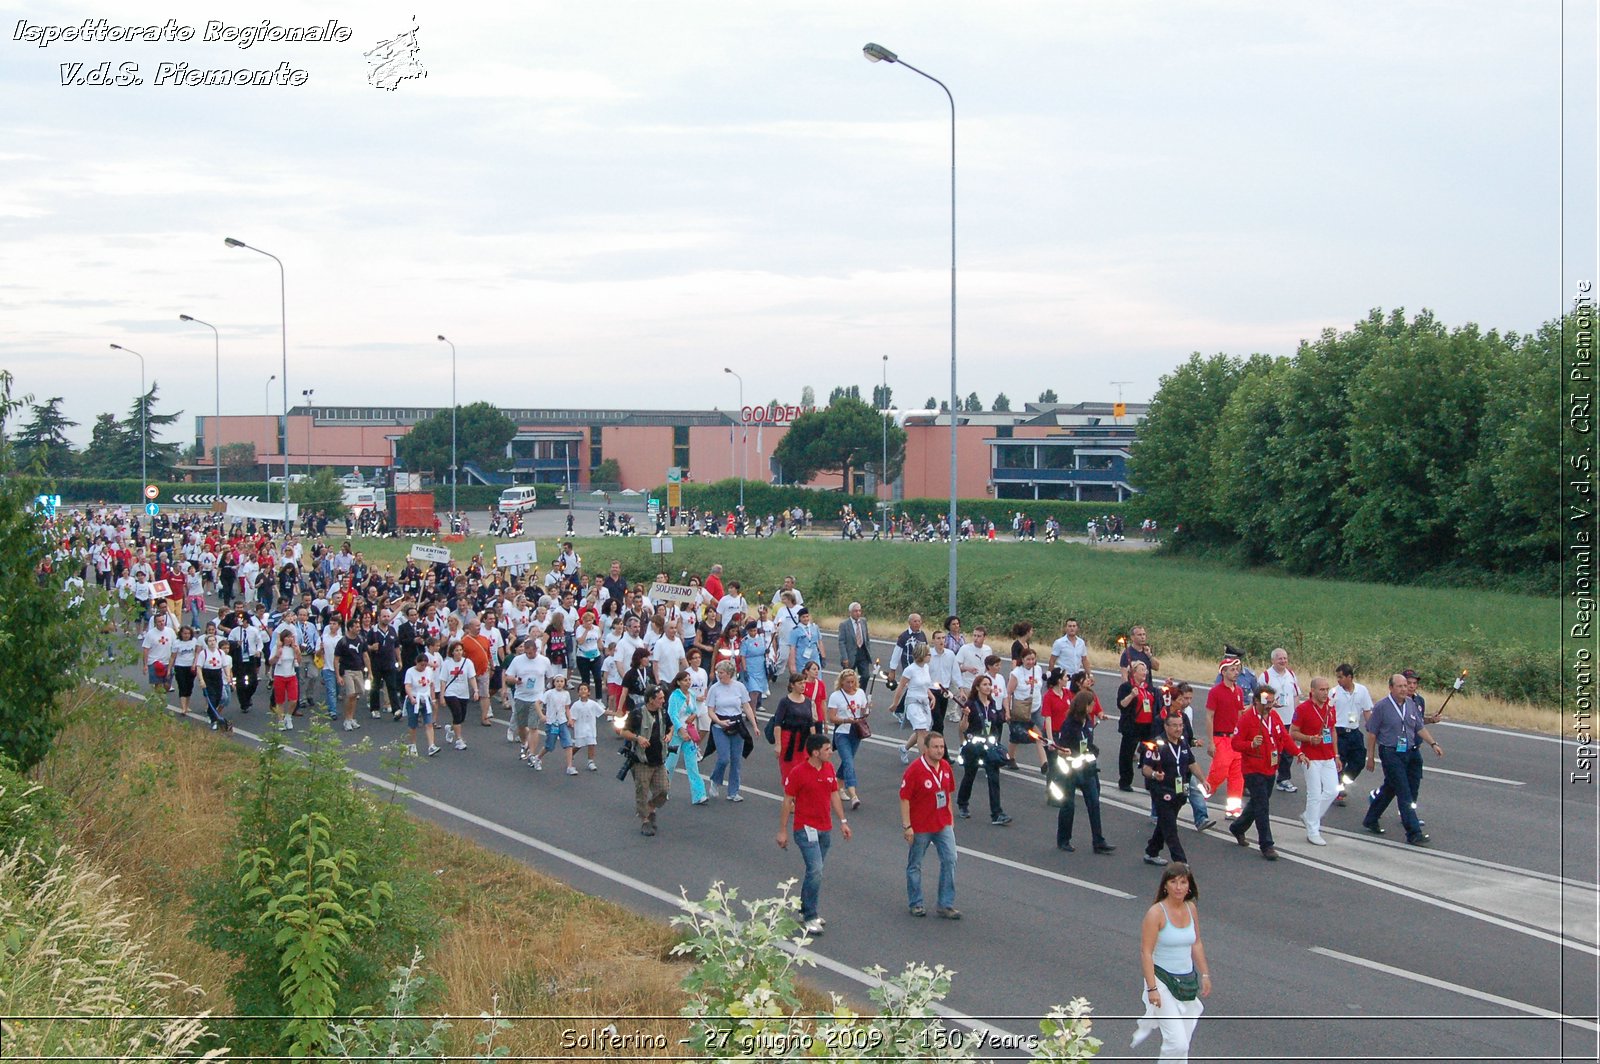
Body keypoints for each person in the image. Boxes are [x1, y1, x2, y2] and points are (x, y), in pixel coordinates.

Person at [1134, 863, 1212, 1062]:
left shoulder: (1190, 908)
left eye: (1183, 882)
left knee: (1183, 1043)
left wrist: (1204, 974)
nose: (1178, 887)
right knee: (1176, 1043)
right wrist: (1152, 988)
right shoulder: (1156, 913)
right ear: (1165, 886)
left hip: (1186, 982)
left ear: (1189, 886)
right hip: (1162, 981)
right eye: (1173, 882)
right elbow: (1146, 952)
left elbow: (1196, 942)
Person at [776, 733, 852, 935]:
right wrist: (783, 830)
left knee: (814, 871)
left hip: (824, 828)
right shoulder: (798, 772)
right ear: (815, 752)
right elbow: (787, 801)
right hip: (804, 828)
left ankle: (804, 909)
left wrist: (843, 822)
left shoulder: (828, 768)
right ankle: (810, 916)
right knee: (816, 870)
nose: (830, 753)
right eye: (827, 749)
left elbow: (834, 793)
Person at [1363, 673, 1444, 845]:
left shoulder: (1411, 704)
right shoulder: (1382, 707)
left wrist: (1433, 743)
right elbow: (1372, 733)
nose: (1404, 689)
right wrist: (1370, 757)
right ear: (1391, 688)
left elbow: (1419, 727)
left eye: (1405, 686)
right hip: (1391, 753)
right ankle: (1413, 832)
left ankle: (1371, 818)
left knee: (1391, 788)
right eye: (1399, 686)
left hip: (1410, 751)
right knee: (1403, 791)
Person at [1229, 687, 1306, 860]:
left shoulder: (1274, 717)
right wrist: (1250, 744)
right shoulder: (1247, 719)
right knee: (1262, 805)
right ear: (1256, 701)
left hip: (1270, 767)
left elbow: (1285, 738)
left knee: (1258, 802)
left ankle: (1238, 827)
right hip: (1252, 769)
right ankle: (1266, 845)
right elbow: (1235, 743)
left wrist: (1298, 753)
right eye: (1266, 702)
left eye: (1271, 701)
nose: (1270, 705)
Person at [900, 731, 959, 919]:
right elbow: (905, 798)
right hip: (920, 826)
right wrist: (907, 826)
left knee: (950, 859)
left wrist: (950, 818)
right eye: (935, 747)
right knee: (915, 864)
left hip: (942, 824)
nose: (940, 750)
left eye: (942, 747)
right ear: (926, 749)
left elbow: (947, 793)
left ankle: (945, 904)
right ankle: (916, 903)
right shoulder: (915, 770)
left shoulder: (945, 767)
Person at [1055, 689, 1115, 854]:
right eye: (1092, 704)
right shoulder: (1069, 724)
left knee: (1094, 803)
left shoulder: (1088, 721)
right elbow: (1061, 748)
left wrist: (1093, 751)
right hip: (1071, 770)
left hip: (1087, 769)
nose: (1094, 706)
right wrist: (1066, 752)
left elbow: (1088, 743)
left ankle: (1098, 841)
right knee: (1068, 805)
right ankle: (1063, 839)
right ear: (1085, 705)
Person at [1141, 712, 1198, 867]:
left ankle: (1152, 851)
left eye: (1181, 725)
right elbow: (1145, 768)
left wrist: (1203, 780)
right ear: (1166, 726)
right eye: (1174, 725)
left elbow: (1192, 763)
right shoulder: (1157, 745)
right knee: (1170, 827)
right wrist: (1154, 774)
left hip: (1179, 790)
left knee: (1165, 823)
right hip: (1162, 790)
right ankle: (1180, 861)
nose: (1178, 729)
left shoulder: (1183, 743)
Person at [955, 673, 1011, 826]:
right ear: (977, 687)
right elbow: (963, 728)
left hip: (989, 747)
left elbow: (994, 725)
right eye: (985, 684)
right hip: (974, 746)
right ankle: (963, 803)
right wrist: (965, 716)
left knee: (993, 778)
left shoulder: (992, 704)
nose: (988, 687)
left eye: (989, 684)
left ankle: (997, 813)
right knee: (970, 775)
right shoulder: (971, 705)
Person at [1289, 677, 1339, 844]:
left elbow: (1332, 731)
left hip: (1327, 756)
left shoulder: (1330, 708)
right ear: (1313, 691)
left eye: (1327, 689)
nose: (1325, 693)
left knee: (1333, 790)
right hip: (1310, 757)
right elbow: (1293, 732)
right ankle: (1313, 830)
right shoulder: (1303, 709)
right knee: (1314, 793)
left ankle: (1310, 816)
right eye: (1322, 690)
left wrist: (1336, 754)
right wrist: (1309, 738)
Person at [617, 683, 671, 835]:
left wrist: (669, 735)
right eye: (660, 698)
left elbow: (670, 727)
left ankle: (650, 808)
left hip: (659, 760)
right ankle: (645, 821)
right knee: (642, 791)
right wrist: (638, 738)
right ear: (651, 700)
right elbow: (624, 732)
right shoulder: (637, 714)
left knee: (663, 790)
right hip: (642, 761)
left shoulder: (663, 713)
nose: (663, 701)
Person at [1200, 657, 1247, 819]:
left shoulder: (1239, 691)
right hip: (1221, 738)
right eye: (1232, 670)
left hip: (1235, 740)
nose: (1236, 673)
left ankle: (1233, 809)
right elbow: (1209, 717)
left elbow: (1240, 714)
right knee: (1219, 772)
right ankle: (1200, 795)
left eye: (1237, 669)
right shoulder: (1216, 692)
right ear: (1224, 672)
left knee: (1237, 776)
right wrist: (1211, 742)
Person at [706, 659, 758, 802]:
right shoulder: (714, 689)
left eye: (721, 672)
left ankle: (733, 792)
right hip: (720, 726)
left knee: (736, 760)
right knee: (724, 758)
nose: (719, 675)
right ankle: (715, 780)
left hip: (737, 725)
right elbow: (710, 710)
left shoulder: (739, 687)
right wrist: (719, 722)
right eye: (718, 672)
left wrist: (754, 725)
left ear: (729, 673)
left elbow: (746, 706)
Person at [1330, 663, 1374, 805]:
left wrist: (1372, 729)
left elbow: (1367, 711)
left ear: (1350, 677)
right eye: (1337, 677)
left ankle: (1343, 782)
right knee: (1339, 763)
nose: (1338, 680)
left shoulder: (1362, 691)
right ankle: (1339, 791)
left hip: (1354, 732)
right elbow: (1326, 714)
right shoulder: (1333, 693)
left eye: (1341, 677)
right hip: (1339, 732)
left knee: (1359, 761)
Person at [825, 668, 869, 809]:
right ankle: (853, 795)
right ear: (842, 683)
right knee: (848, 761)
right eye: (848, 682)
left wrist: (867, 709)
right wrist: (845, 720)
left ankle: (836, 786)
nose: (851, 685)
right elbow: (832, 718)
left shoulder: (860, 693)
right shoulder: (836, 696)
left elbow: (863, 712)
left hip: (856, 732)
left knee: (847, 761)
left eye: (853, 682)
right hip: (842, 732)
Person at [1261, 648, 1302, 793]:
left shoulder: (1291, 674)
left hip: (1289, 718)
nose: (1283, 661)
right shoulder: (1266, 676)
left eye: (1285, 658)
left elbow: (1296, 695)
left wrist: (1297, 714)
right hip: (1273, 719)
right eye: (1280, 659)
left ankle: (1283, 779)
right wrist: (1272, 704)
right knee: (1273, 749)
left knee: (1288, 751)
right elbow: (1261, 698)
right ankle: (1267, 774)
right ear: (1273, 660)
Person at [664, 670, 707, 804]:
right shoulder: (675, 697)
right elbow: (673, 715)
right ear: (678, 682)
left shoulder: (692, 695)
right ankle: (662, 790)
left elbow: (695, 710)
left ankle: (699, 795)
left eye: (689, 680)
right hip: (678, 734)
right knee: (670, 764)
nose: (688, 682)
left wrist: (693, 716)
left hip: (689, 733)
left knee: (692, 765)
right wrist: (680, 729)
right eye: (685, 680)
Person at [889, 642, 934, 765]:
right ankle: (925, 761)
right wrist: (895, 704)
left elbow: (925, 686)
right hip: (913, 703)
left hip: (924, 702)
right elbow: (901, 687)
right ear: (921, 655)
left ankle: (904, 748)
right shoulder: (910, 670)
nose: (930, 656)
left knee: (923, 730)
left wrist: (932, 696)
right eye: (928, 654)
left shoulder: (926, 667)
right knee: (921, 731)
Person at [1115, 661, 1158, 791]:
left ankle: (1150, 780)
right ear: (1133, 673)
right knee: (1127, 755)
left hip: (1147, 726)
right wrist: (1132, 695)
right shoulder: (1126, 687)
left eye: (1145, 670)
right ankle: (1125, 781)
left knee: (1151, 754)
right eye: (1141, 670)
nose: (1145, 673)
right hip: (1132, 726)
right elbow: (1121, 705)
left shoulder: (1149, 688)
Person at [771, 672, 822, 780]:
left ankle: (799, 795)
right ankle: (789, 794)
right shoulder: (785, 702)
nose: (803, 686)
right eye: (800, 683)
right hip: (788, 739)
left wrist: (814, 743)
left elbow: (811, 723)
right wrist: (778, 745)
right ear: (792, 685)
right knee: (789, 770)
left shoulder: (807, 701)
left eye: (804, 683)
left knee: (804, 769)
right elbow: (778, 724)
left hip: (804, 739)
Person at [1005, 646, 1046, 770]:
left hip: (1036, 708)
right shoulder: (1016, 673)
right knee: (1016, 737)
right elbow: (1008, 693)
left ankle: (1044, 763)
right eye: (1028, 659)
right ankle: (1010, 758)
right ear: (1022, 659)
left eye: (1033, 659)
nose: (1031, 662)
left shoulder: (1038, 669)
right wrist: (1007, 711)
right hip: (1020, 709)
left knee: (1040, 735)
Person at [438, 641, 479, 750]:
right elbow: (443, 680)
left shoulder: (468, 663)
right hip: (450, 692)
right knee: (456, 713)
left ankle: (451, 729)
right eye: (456, 650)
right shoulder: (447, 663)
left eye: (460, 650)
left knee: (461, 717)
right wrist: (442, 695)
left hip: (463, 693)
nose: (459, 652)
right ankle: (459, 740)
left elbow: (471, 677)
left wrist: (475, 690)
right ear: (452, 652)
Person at [403, 649, 440, 757]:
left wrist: (433, 699)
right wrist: (411, 698)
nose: (423, 667)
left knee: (428, 723)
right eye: (421, 665)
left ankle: (431, 745)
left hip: (425, 698)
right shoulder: (410, 671)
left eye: (425, 665)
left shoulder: (428, 671)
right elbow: (408, 686)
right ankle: (412, 745)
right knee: (413, 724)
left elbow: (431, 685)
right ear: (417, 662)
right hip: (414, 699)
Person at [267, 630, 301, 732]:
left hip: (291, 676)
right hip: (279, 676)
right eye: (287, 637)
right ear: (283, 638)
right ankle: (281, 720)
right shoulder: (277, 648)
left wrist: (298, 652)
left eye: (291, 637)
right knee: (280, 701)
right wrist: (277, 655)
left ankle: (288, 716)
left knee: (293, 700)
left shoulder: (293, 648)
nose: (290, 639)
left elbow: (298, 662)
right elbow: (270, 661)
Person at [569, 681, 605, 771]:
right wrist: (571, 722)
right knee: (578, 745)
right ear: (578, 693)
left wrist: (615, 713)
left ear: (589, 692)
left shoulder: (593, 704)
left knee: (591, 744)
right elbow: (572, 717)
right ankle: (570, 755)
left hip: (591, 728)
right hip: (580, 728)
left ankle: (590, 761)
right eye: (581, 689)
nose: (583, 691)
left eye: (585, 689)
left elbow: (603, 712)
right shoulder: (576, 705)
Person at [837, 602, 874, 690]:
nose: (858, 613)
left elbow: (866, 637)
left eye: (859, 611)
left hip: (862, 653)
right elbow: (841, 642)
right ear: (850, 612)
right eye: (855, 611)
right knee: (848, 677)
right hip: (850, 655)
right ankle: (847, 693)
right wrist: (844, 657)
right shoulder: (844, 625)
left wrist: (868, 650)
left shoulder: (863, 621)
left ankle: (860, 693)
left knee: (865, 676)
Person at [141, 611, 176, 695]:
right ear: (155, 623)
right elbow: (146, 649)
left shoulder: (170, 631)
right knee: (158, 684)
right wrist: (145, 665)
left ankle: (162, 695)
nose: (161, 623)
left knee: (167, 685)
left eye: (163, 621)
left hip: (168, 662)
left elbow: (175, 646)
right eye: (159, 621)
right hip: (155, 662)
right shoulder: (150, 634)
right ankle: (159, 700)